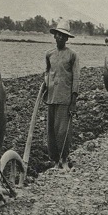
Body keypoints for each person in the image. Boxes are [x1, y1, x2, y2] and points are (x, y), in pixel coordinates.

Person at [43, 20, 80, 171]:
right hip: (51, 97)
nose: (59, 38)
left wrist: (73, 99)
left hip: (65, 98)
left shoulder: (72, 55)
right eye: (58, 35)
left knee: (63, 131)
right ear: (54, 36)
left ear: (66, 39)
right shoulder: (49, 54)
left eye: (63, 36)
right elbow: (47, 71)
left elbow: (76, 77)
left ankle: (64, 159)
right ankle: (54, 159)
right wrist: (46, 83)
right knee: (51, 130)